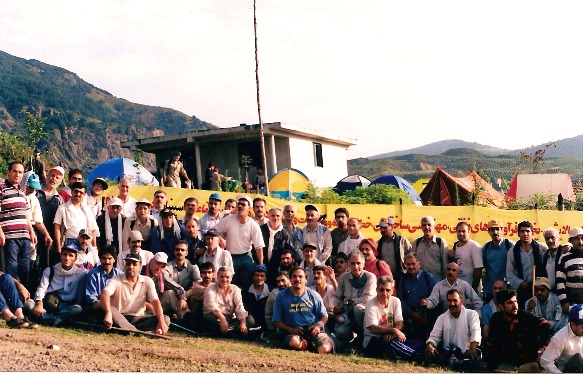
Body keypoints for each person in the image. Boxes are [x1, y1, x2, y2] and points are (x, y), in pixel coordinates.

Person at [100, 252, 170, 334]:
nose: (131, 267)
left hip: (138, 319)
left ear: (140, 266)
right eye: (128, 264)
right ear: (125, 265)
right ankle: (138, 333)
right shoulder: (116, 280)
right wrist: (108, 313)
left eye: (134, 264)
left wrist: (161, 321)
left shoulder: (147, 281)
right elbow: (105, 294)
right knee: (111, 309)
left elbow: (155, 301)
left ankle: (129, 330)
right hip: (120, 317)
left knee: (165, 319)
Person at [486, 289, 553, 371]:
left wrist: (542, 349)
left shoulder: (525, 316)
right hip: (509, 362)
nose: (515, 306)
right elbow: (492, 345)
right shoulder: (496, 319)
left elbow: (547, 326)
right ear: (501, 306)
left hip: (530, 361)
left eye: (515, 301)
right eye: (510, 303)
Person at [272, 267, 335, 354]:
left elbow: (324, 315)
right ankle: (305, 346)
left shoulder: (313, 295)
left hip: (313, 330)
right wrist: (291, 330)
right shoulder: (281, 296)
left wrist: (318, 326)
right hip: (293, 332)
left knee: (324, 348)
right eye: (294, 276)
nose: (297, 279)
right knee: (294, 342)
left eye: (300, 277)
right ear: (290, 279)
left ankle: (322, 344)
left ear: (306, 280)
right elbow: (276, 321)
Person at [363, 275, 424, 360]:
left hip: (391, 336)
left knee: (418, 342)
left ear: (392, 291)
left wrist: (392, 332)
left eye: (387, 290)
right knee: (392, 344)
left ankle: (417, 350)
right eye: (381, 290)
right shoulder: (371, 304)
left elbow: (400, 323)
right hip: (373, 340)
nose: (384, 293)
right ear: (376, 290)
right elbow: (373, 329)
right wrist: (393, 330)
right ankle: (416, 355)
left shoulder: (395, 301)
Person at [25, 244, 86, 326]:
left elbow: (79, 296)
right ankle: (57, 321)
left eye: (70, 255)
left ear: (75, 258)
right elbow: (41, 289)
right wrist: (39, 304)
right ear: (61, 255)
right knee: (29, 303)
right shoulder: (50, 270)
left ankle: (44, 318)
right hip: (48, 304)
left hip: (65, 307)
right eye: (65, 254)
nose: (67, 258)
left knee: (77, 309)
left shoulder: (81, 274)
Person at [213, 195, 264, 291]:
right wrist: (220, 238)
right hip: (230, 258)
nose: (240, 206)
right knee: (229, 286)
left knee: (247, 286)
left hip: (246, 258)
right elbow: (213, 230)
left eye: (243, 204)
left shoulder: (254, 225)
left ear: (249, 208)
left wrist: (261, 266)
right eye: (239, 203)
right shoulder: (228, 219)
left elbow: (259, 247)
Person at [0, 161, 38, 286]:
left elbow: (27, 213)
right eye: (15, 171)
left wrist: (31, 232)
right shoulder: (1, 188)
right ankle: (12, 300)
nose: (17, 174)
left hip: (25, 237)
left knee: (24, 268)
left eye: (20, 172)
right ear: (9, 172)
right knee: (12, 268)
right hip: (10, 237)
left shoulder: (22, 191)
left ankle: (23, 300)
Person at [425, 289, 482, 371]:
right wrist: (430, 345)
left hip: (467, 352)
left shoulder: (471, 314)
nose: (452, 304)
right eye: (449, 301)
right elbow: (434, 336)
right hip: (448, 353)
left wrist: (473, 347)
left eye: (455, 300)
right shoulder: (442, 318)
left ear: (461, 301)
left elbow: (475, 332)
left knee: (473, 357)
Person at [333, 251, 377, 343]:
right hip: (347, 313)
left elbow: (367, 299)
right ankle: (349, 342)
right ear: (348, 264)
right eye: (352, 263)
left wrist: (348, 301)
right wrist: (337, 311)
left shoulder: (370, 277)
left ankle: (362, 336)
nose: (356, 267)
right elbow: (337, 297)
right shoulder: (344, 277)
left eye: (358, 263)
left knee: (357, 308)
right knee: (340, 332)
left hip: (365, 314)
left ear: (364, 264)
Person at [202, 266, 254, 338]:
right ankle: (234, 333)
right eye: (222, 277)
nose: (224, 279)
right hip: (216, 316)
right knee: (209, 318)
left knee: (250, 320)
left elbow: (240, 307)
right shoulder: (210, 289)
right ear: (217, 277)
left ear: (231, 278)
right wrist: (222, 319)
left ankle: (227, 332)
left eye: (227, 277)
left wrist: (243, 323)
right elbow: (212, 307)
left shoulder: (235, 289)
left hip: (230, 319)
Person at [506, 220, 548, 309]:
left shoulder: (542, 248)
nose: (525, 234)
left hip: (540, 289)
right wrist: (520, 283)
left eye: (527, 231)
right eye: (522, 231)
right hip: (522, 290)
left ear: (532, 233)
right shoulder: (512, 251)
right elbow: (509, 273)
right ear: (518, 234)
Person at [398, 252, 436, 340]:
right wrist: (412, 314)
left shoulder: (428, 278)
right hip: (409, 318)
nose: (411, 267)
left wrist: (422, 314)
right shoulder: (403, 279)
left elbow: (433, 298)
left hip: (426, 318)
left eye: (413, 264)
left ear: (419, 263)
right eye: (408, 264)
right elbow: (401, 299)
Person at [35, 166, 65, 268]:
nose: (53, 179)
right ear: (46, 176)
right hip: (33, 235)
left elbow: (60, 224)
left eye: (57, 178)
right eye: (52, 175)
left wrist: (59, 243)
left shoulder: (59, 200)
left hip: (50, 239)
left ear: (61, 182)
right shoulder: (35, 192)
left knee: (46, 267)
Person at [54, 181, 98, 249]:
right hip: (69, 245)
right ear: (71, 192)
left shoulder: (88, 211)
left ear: (84, 194)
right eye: (76, 191)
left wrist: (94, 248)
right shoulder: (62, 208)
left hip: (85, 245)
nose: (78, 194)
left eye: (81, 192)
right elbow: (57, 228)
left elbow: (93, 230)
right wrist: (58, 248)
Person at [540, 304, 583, 373]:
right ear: (573, 325)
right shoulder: (560, 337)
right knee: (577, 358)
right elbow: (545, 361)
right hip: (570, 369)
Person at [144, 252, 188, 319]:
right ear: (151, 261)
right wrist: (148, 305)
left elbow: (178, 288)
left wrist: (182, 299)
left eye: (163, 266)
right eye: (158, 263)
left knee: (170, 293)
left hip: (156, 304)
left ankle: (185, 318)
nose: (159, 268)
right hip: (142, 305)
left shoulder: (162, 274)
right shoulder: (141, 271)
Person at [84, 245, 121, 320]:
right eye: (104, 258)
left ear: (114, 259)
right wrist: (108, 308)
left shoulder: (120, 275)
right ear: (100, 259)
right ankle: (131, 329)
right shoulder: (92, 275)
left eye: (110, 259)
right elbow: (92, 302)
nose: (107, 262)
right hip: (98, 310)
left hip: (119, 309)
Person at [482, 219, 514, 303]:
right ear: (488, 232)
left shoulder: (510, 245)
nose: (495, 232)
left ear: (502, 230)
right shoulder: (486, 248)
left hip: (507, 288)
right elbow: (485, 266)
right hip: (490, 289)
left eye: (497, 229)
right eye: (492, 230)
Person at [412, 216, 448, 282]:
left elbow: (445, 265)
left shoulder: (441, 242)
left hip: (437, 281)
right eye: (424, 225)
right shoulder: (416, 243)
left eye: (429, 225)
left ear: (434, 226)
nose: (427, 227)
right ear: (421, 227)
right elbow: (412, 263)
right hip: (420, 282)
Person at [376, 217, 411, 285]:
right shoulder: (378, 243)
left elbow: (411, 256)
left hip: (401, 278)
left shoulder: (402, 241)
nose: (382, 230)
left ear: (392, 227)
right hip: (384, 279)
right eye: (380, 228)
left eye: (384, 227)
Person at [450, 221, 483, 292]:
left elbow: (478, 269)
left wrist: (473, 289)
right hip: (457, 289)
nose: (461, 233)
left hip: (470, 288)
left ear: (469, 231)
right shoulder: (455, 245)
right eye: (459, 231)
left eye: (464, 231)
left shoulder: (474, 246)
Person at [166, 240, 201, 306]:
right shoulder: (168, 266)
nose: (179, 252)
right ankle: (185, 314)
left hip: (189, 296)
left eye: (182, 250)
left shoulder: (192, 266)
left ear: (186, 253)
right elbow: (166, 280)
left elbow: (198, 281)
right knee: (169, 293)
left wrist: (185, 295)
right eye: (177, 250)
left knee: (200, 290)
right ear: (174, 252)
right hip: (173, 296)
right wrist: (180, 294)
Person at [557, 227, 583, 314]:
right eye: (577, 238)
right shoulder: (564, 258)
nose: (580, 242)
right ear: (571, 240)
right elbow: (560, 281)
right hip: (572, 302)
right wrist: (564, 302)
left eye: (582, 238)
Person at [263, 271, 291, 340]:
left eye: (283, 280)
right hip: (281, 326)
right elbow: (268, 313)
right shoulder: (274, 294)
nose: (280, 284)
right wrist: (271, 329)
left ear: (289, 280)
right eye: (278, 282)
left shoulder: (298, 290)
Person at [242, 265, 270, 329]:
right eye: (257, 275)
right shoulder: (246, 290)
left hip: (265, 321)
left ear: (265, 278)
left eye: (262, 276)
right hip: (249, 320)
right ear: (253, 276)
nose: (259, 278)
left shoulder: (271, 291)